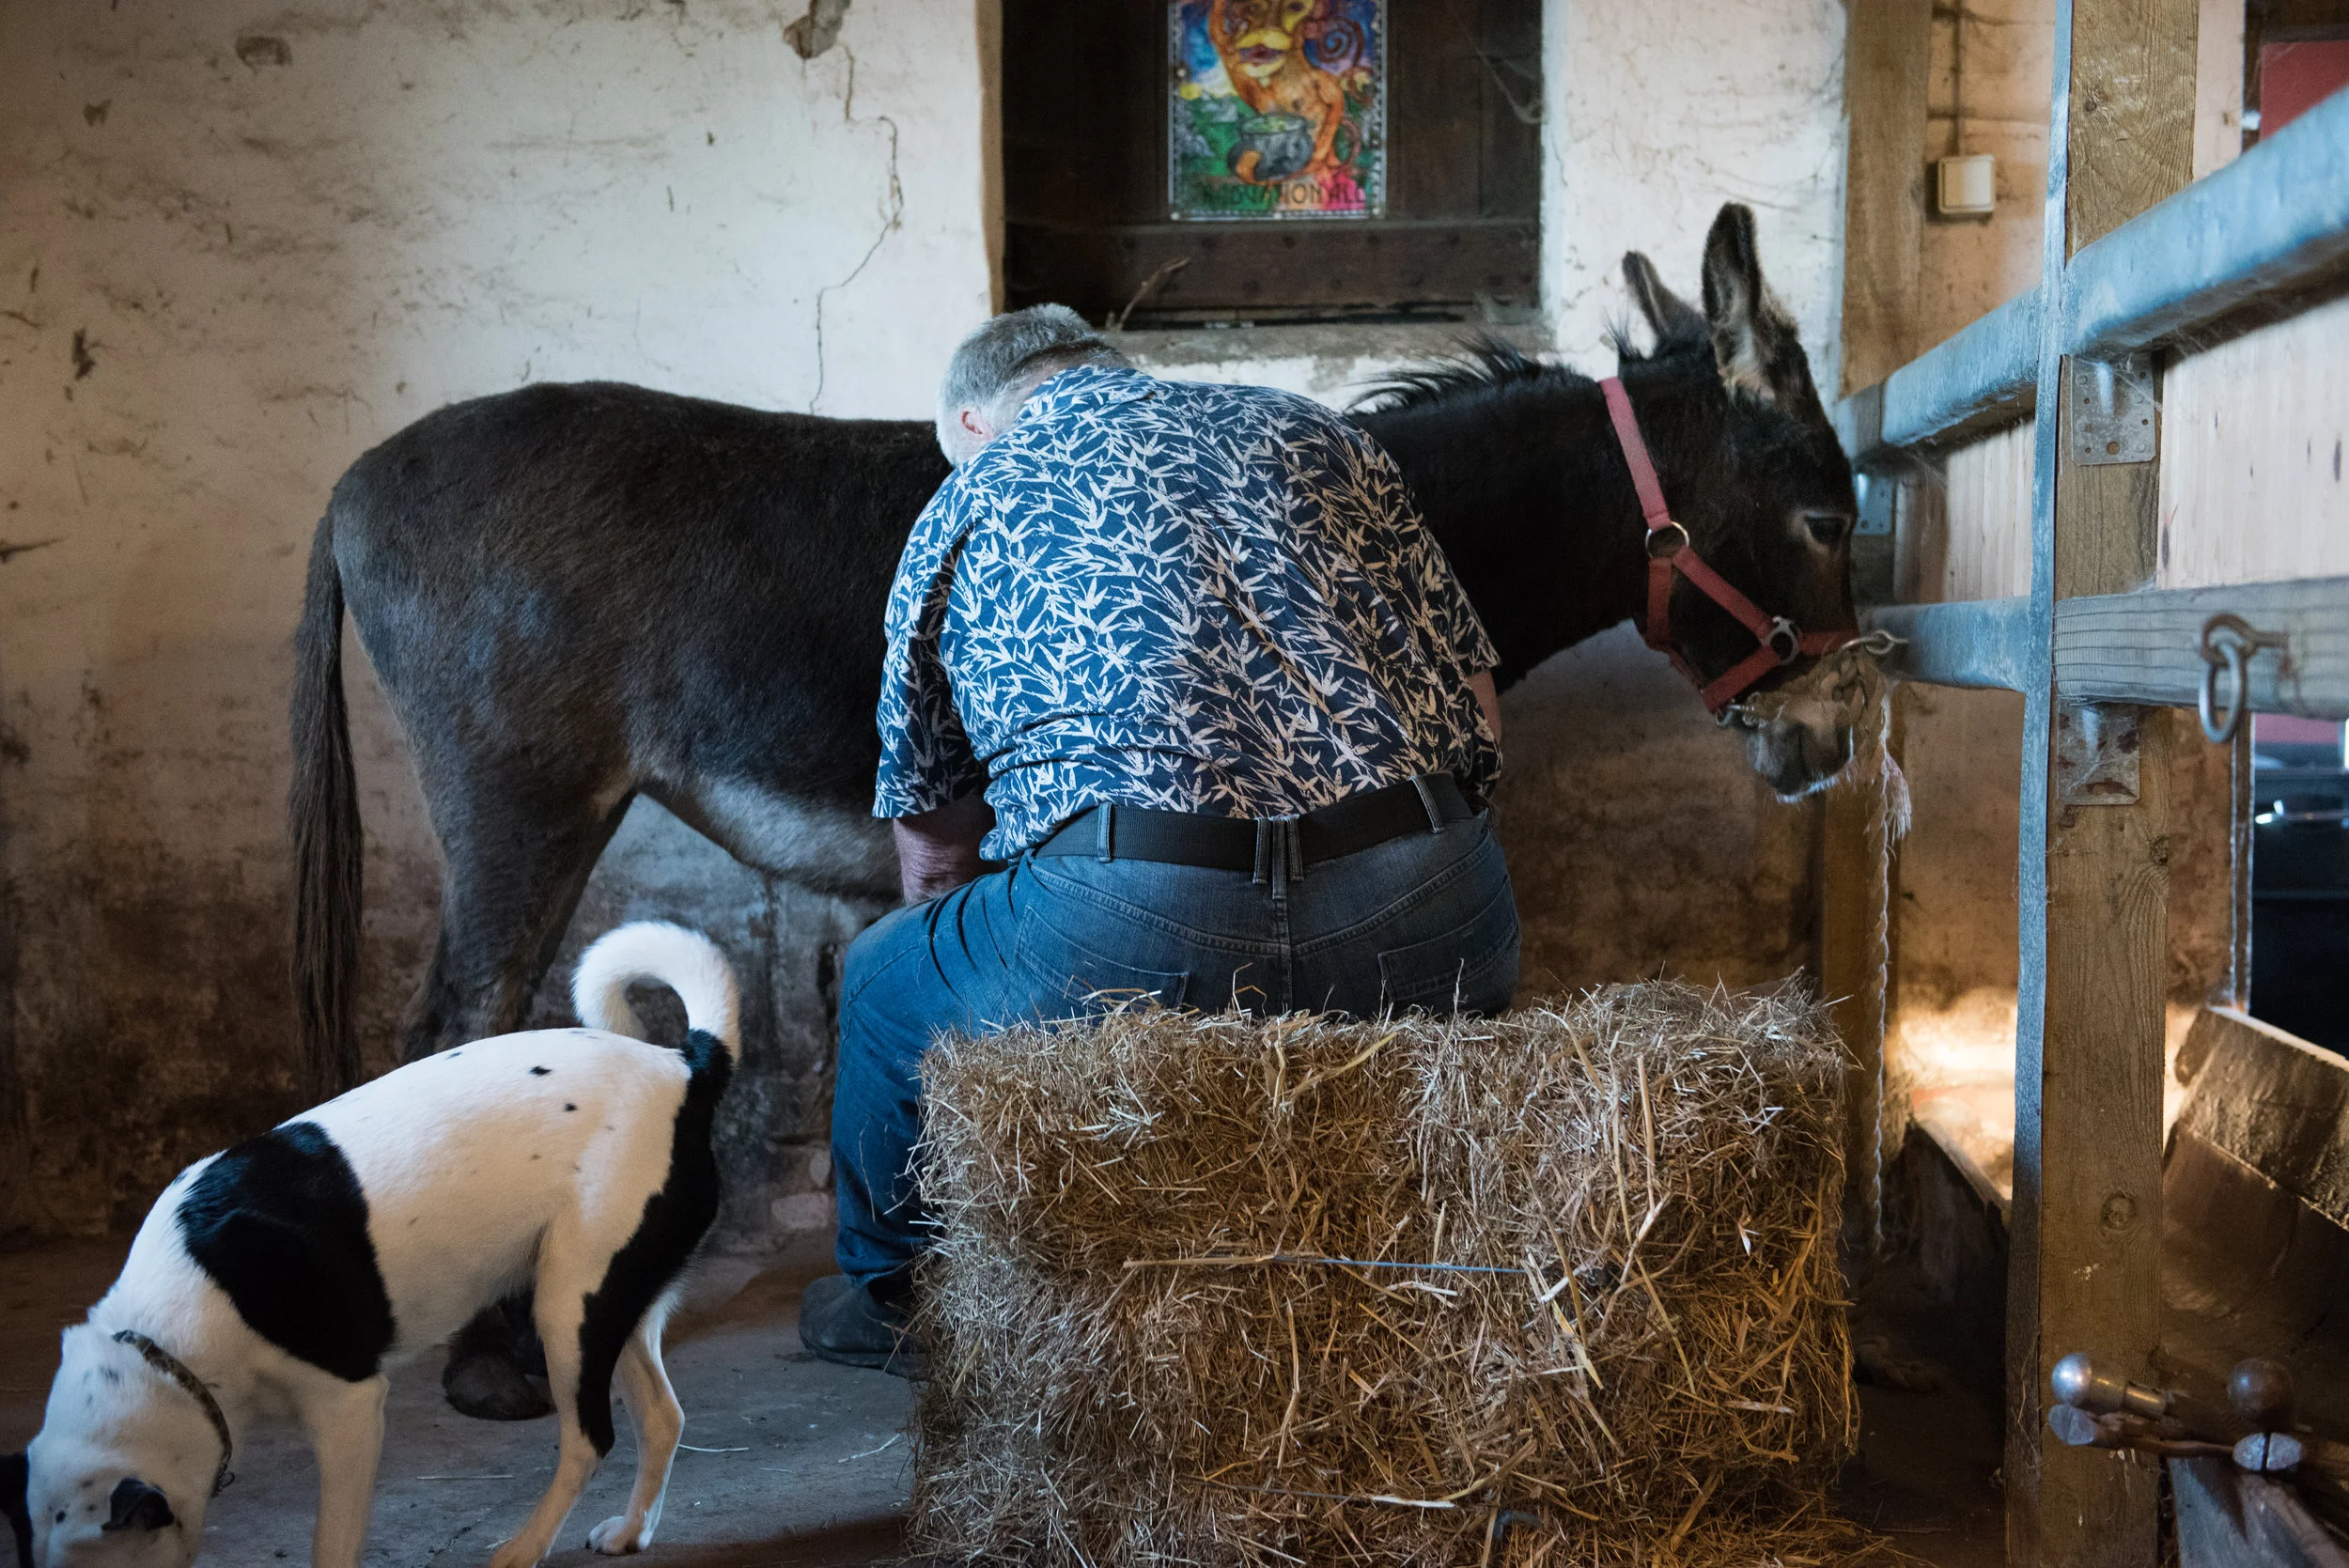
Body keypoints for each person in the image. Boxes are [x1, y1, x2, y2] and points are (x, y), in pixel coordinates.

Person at [799, 305, 1518, 1374]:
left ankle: (898, 1298)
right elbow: (1478, 716)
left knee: (882, 979)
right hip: (1422, 896)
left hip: (1134, 918)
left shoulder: (967, 498)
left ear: (972, 418)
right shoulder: (1322, 436)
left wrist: (978, 960)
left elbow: (937, 845)